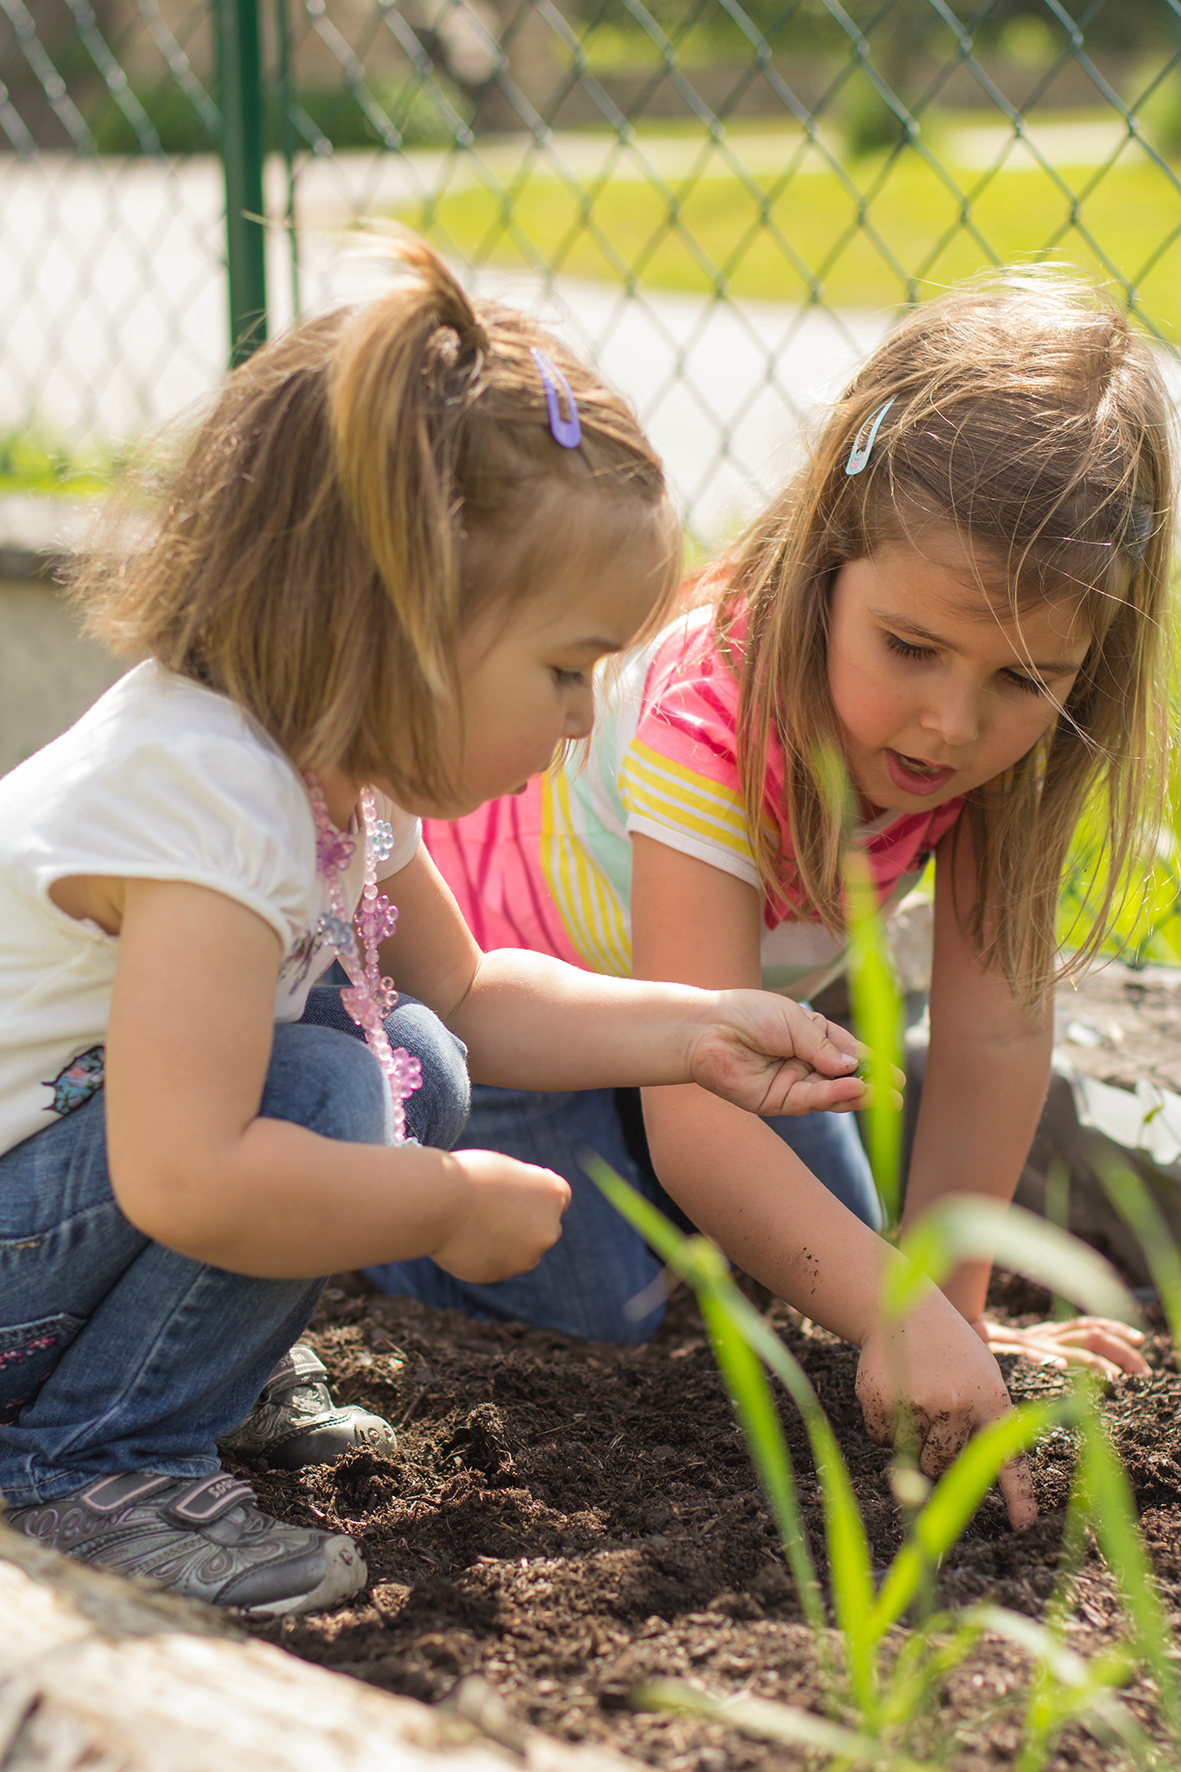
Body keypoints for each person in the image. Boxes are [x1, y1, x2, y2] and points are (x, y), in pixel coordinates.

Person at [0, 238, 882, 1616]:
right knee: (336, 1083)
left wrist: (691, 1030)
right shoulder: (211, 800)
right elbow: (183, 1177)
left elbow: (468, 997)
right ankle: (94, 1467)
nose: (586, 718)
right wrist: (443, 1202)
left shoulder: (323, 782)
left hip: (41, 1236)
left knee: (409, 1049)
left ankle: (169, 1391)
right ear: (397, 623)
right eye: (564, 669)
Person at [399, 270, 1173, 1493]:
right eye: (907, 647)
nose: (949, 722)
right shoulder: (710, 712)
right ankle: (357, 1185)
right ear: (825, 562)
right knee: (600, 1310)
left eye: (1021, 680)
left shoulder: (1004, 758)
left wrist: (942, 1313)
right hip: (509, 1006)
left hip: (710, 1034)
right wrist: (887, 1315)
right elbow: (699, 1122)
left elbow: (994, 1030)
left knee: (836, 1268)